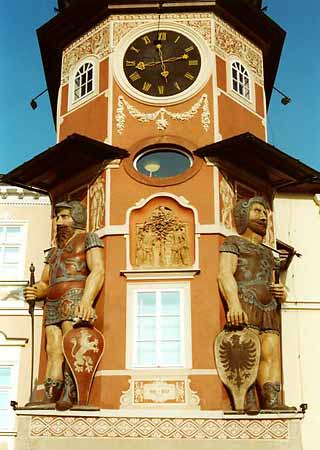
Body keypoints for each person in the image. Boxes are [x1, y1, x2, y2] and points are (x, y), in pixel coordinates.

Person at [24, 201, 104, 410]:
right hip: (52, 299)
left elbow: (97, 270)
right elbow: (45, 281)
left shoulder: (88, 238)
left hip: (74, 294)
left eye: (64, 217)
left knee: (71, 345)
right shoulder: (53, 251)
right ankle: (50, 396)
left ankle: (70, 392)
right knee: (53, 349)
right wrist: (36, 291)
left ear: (76, 217)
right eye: (58, 217)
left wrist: (87, 300)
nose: (59, 221)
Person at [218, 196, 294, 411]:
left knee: (271, 353)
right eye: (257, 211)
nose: (262, 217)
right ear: (243, 214)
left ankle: (272, 400)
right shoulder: (232, 242)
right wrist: (233, 304)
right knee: (247, 350)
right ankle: (247, 396)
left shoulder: (269, 253)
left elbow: (272, 281)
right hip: (246, 300)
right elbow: (224, 274)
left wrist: (282, 292)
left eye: (265, 213)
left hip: (269, 305)